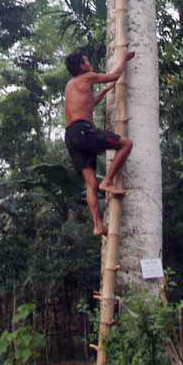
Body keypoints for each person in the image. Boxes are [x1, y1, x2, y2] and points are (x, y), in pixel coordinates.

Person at [64, 48, 134, 236]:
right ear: (82, 65)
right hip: (83, 131)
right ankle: (108, 181)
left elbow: (88, 104)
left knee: (90, 184)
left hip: (71, 136)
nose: (89, 62)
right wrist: (124, 59)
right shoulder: (88, 76)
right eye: (86, 60)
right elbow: (115, 75)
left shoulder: (71, 85)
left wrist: (103, 91)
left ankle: (97, 225)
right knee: (126, 144)